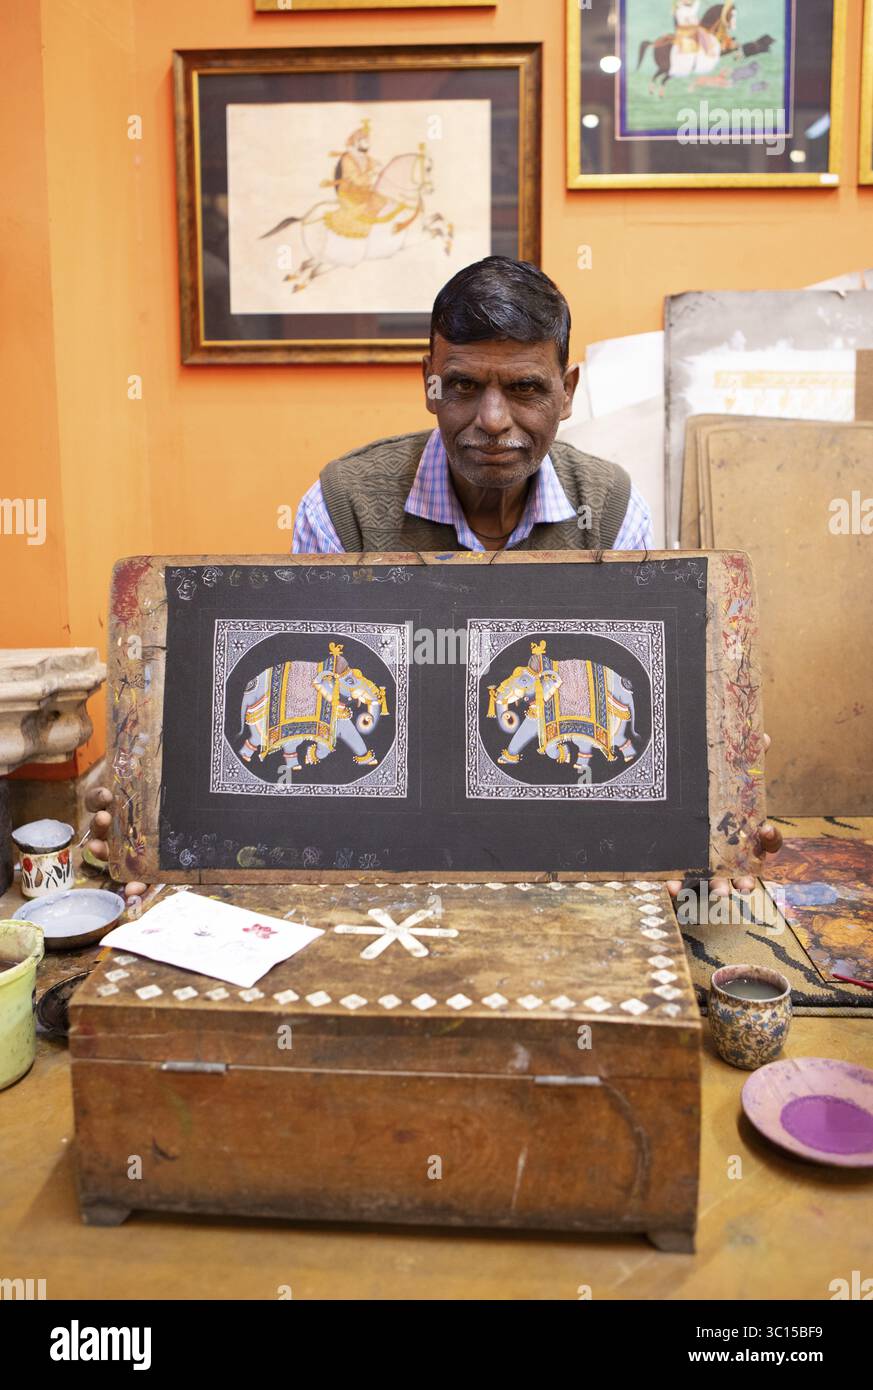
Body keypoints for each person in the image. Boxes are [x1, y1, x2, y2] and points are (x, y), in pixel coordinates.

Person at [86, 255, 780, 894]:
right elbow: (308, 695)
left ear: (566, 392)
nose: (492, 420)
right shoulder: (343, 506)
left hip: (556, 840)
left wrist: (713, 787)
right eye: (463, 386)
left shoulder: (614, 510)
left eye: (525, 388)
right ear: (428, 383)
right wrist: (162, 804)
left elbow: (642, 710)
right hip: (382, 851)